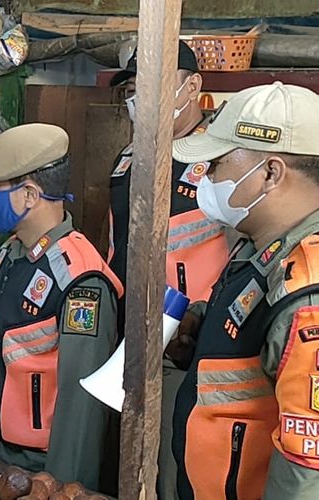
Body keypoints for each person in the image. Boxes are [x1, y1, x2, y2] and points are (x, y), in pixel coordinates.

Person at [171, 82, 319, 499]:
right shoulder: (260, 246)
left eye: (217, 164)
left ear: (270, 173)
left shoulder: (314, 301)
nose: (205, 177)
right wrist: (201, 325)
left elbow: (308, 479)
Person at [108, 39, 231, 499]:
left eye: (155, 86)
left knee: (178, 470)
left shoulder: (220, 164)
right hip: (131, 343)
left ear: (192, 86)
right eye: (135, 89)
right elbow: (115, 242)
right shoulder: (129, 158)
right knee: (134, 464)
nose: (140, 99)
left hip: (188, 349)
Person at [0, 123, 123, 490]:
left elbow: (81, 410)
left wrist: (62, 487)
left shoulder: (79, 280)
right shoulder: (12, 254)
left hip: (42, 468)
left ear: (28, 195)